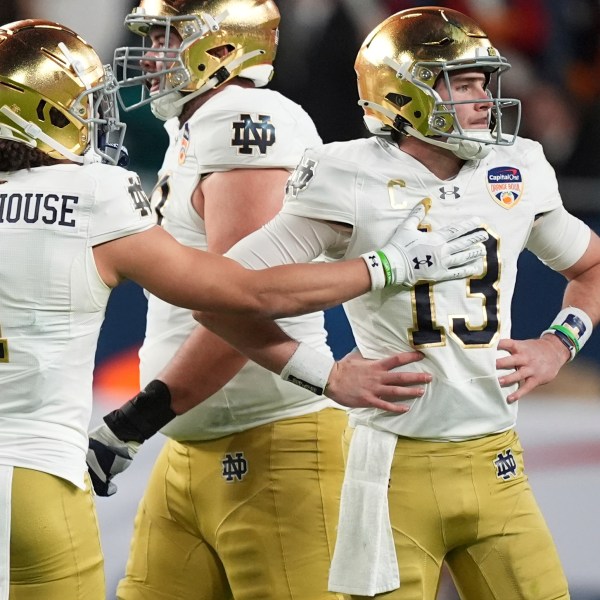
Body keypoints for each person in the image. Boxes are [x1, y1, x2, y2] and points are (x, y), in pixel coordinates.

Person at [0, 16, 488, 600]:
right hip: (173, 452)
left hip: (267, 441)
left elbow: (243, 303)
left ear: (223, 41)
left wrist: (134, 424)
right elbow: (240, 293)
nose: (151, 52)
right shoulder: (124, 174)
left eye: (167, 35)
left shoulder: (241, 121)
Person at [189, 7, 600, 600]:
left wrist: (560, 344)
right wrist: (323, 375)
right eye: (464, 83)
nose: (484, 97)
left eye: (484, 81)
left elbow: (591, 266)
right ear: (404, 95)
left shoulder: (517, 167)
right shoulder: (349, 175)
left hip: (498, 463)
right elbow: (220, 296)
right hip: (390, 469)